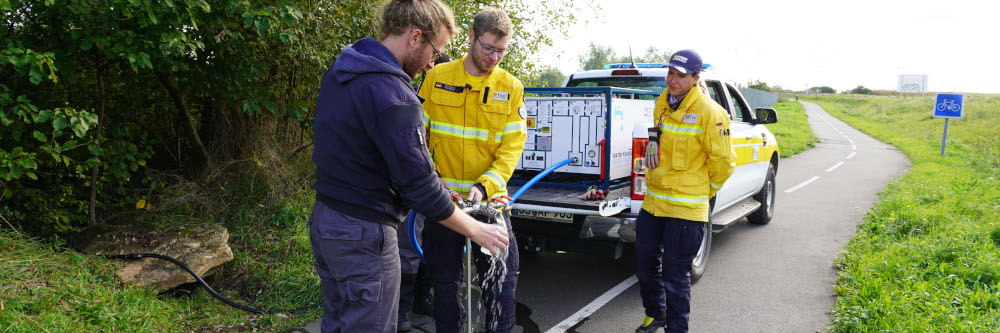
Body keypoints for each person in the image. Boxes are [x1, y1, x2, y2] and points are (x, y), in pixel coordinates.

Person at [308, 1, 509, 332]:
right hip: (365, 234)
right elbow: (420, 188)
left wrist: (428, 180)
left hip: (327, 221)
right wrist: (476, 230)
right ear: (415, 37)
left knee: (338, 323)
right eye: (435, 51)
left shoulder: (345, 69)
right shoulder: (394, 94)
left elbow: (365, 151)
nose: (433, 62)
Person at [417, 7, 526, 333]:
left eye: (501, 51)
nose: (494, 57)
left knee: (502, 285)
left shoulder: (511, 87)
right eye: (487, 48)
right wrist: (432, 180)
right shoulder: (436, 78)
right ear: (470, 37)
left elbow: (511, 150)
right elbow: (416, 138)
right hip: (444, 204)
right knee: (446, 287)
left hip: (490, 205)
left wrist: (486, 185)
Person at [635, 49, 736, 333]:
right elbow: (658, 137)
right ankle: (656, 314)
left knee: (675, 276)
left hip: (687, 209)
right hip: (653, 203)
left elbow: (724, 164)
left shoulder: (711, 113)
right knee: (644, 266)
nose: (673, 79)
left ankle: (677, 329)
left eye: (680, 75)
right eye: (670, 73)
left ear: (695, 78)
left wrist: (705, 191)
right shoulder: (661, 103)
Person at [396, 52, 451, 332]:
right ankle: (401, 311)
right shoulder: (414, 98)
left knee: (431, 247)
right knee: (409, 244)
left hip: (443, 187)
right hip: (417, 185)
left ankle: (421, 299)